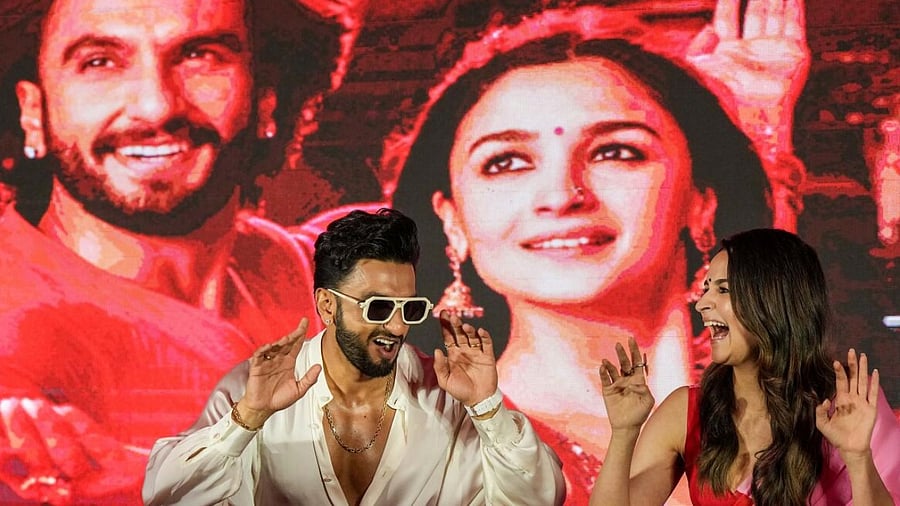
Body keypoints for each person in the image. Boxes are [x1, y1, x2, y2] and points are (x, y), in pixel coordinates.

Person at [385, 2, 808, 502]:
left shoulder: (805, 419)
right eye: (506, 162)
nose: (562, 195)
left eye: (616, 152)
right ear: (451, 221)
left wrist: (762, 140)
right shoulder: (429, 448)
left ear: (701, 202)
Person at [0, 0, 355, 502]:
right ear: (31, 112)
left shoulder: (306, 266)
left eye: (199, 56)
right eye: (99, 62)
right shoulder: (18, 335)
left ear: (266, 100)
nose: (156, 106)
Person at [142, 207, 566, 505]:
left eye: (409, 309)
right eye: (378, 308)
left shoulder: (446, 396)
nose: (397, 327)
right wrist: (248, 418)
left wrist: (488, 409)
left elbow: (538, 498)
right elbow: (167, 495)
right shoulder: (255, 390)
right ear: (327, 306)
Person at [591, 228, 900, 505]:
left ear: (773, 300)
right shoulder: (689, 412)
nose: (702, 303)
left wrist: (858, 458)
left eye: (723, 289)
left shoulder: (849, 408)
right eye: (706, 288)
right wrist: (624, 432)